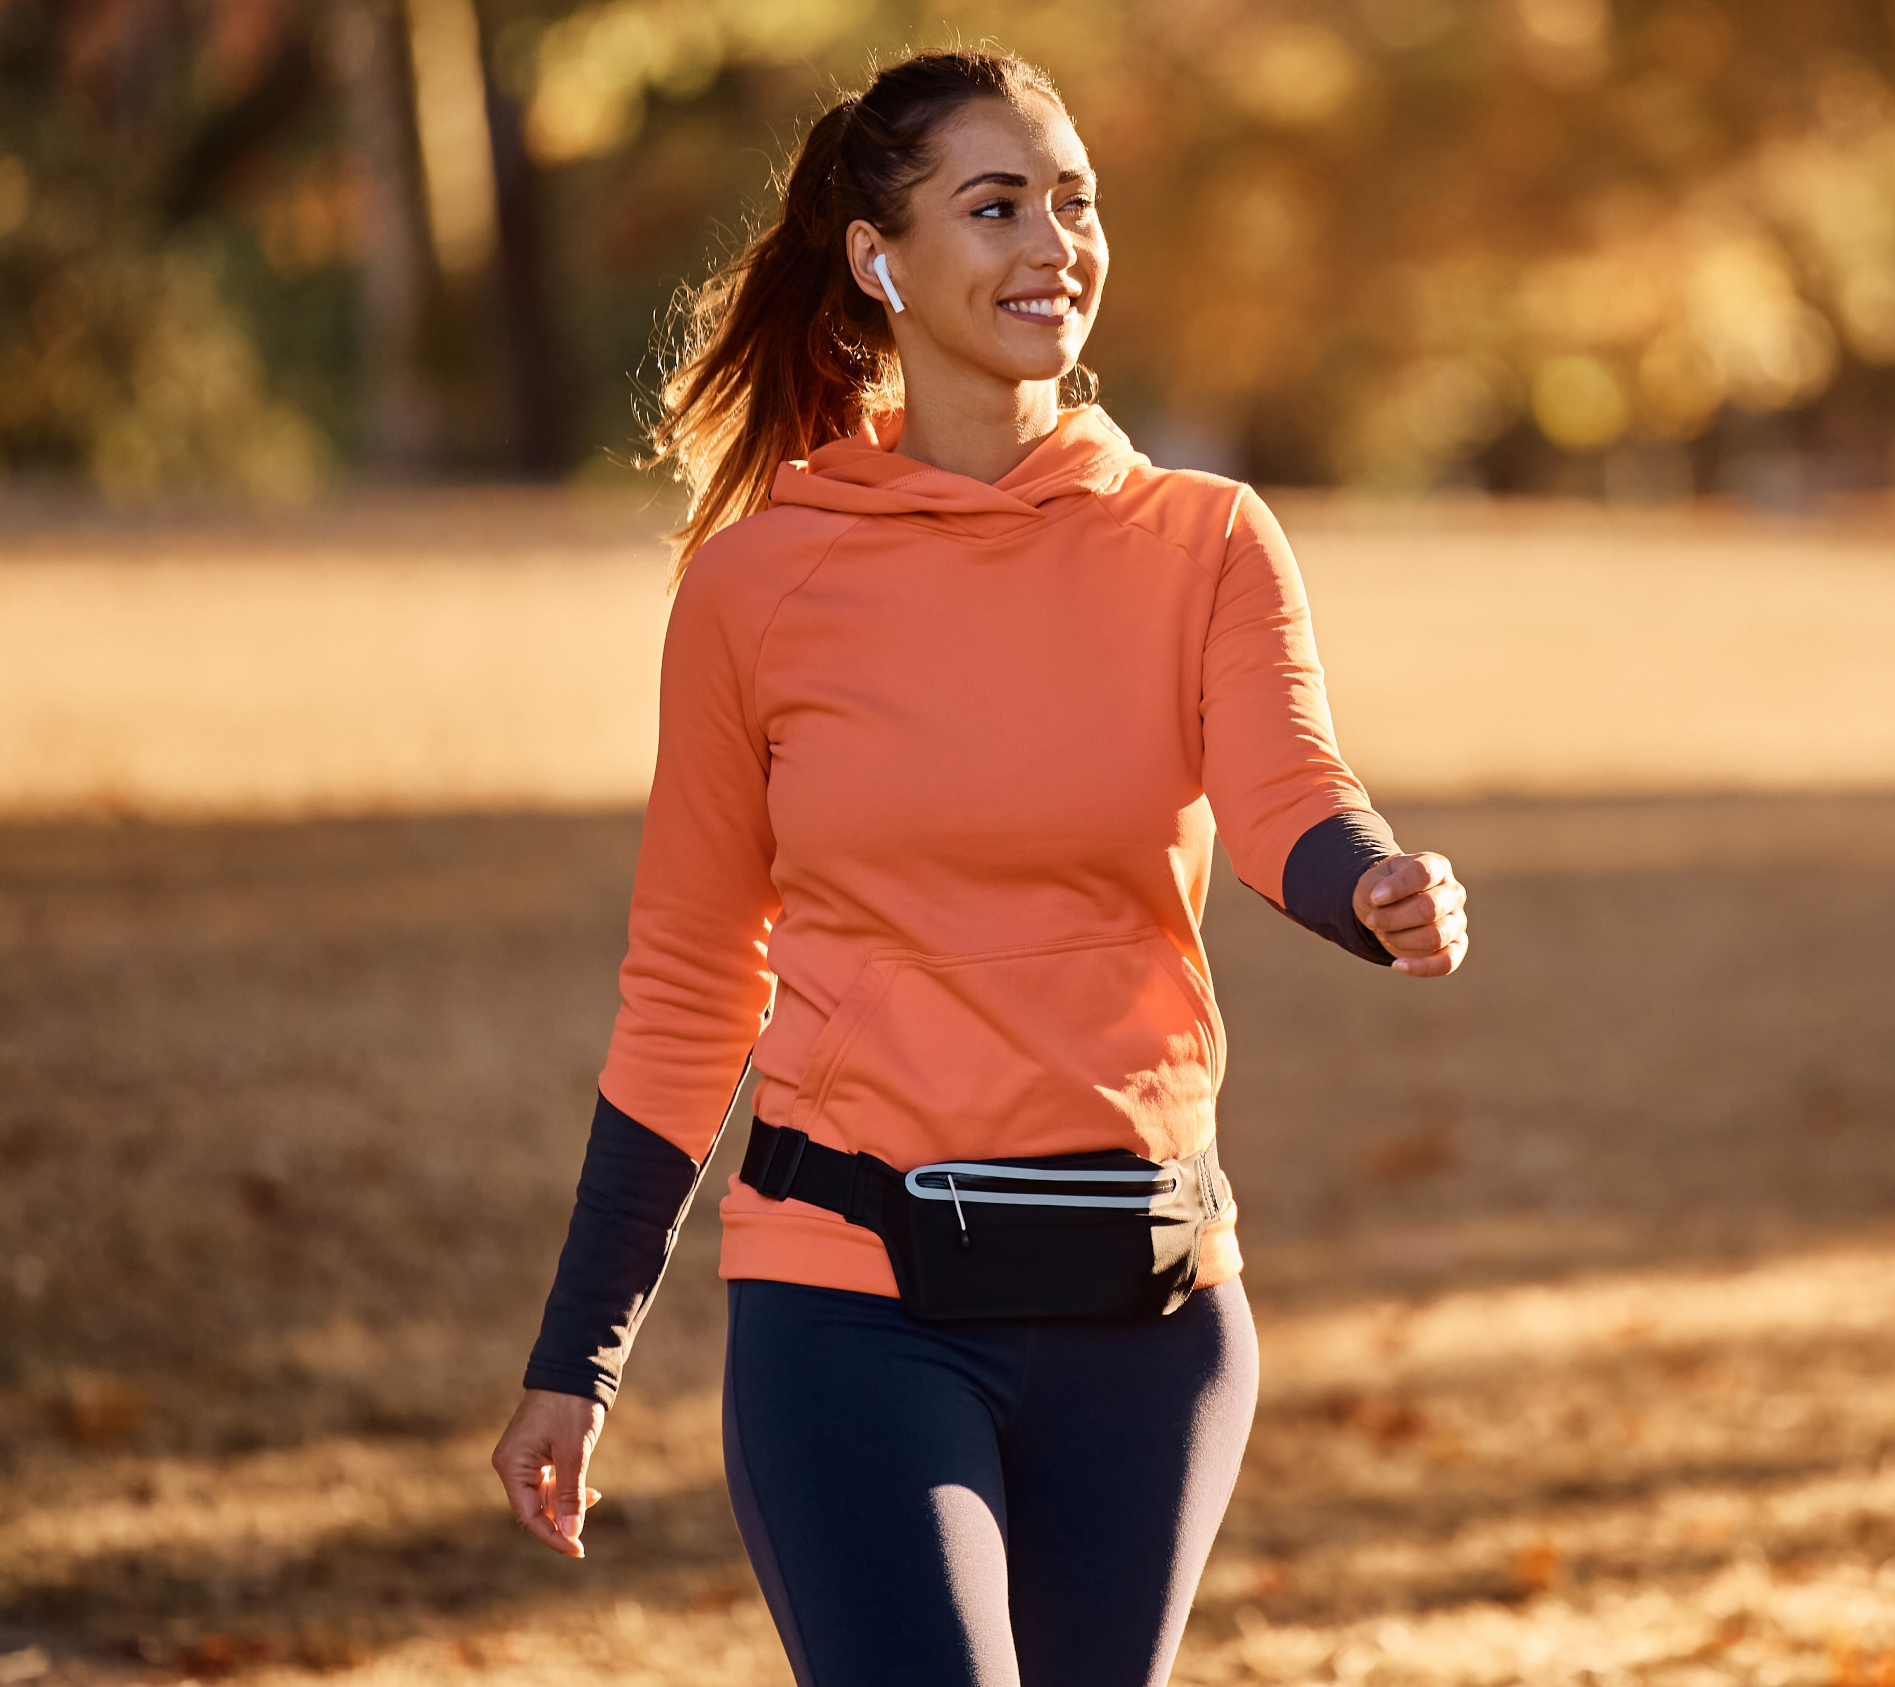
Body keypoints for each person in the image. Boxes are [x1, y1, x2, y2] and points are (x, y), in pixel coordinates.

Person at [488, 47, 1469, 1687]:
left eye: (1074, 204)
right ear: (878, 258)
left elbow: (1288, 788)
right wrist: (577, 1358)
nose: (1054, 245)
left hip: (1149, 1304)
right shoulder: (757, 589)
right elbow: (687, 984)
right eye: (995, 206)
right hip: (854, 1303)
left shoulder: (1205, 539)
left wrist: (1371, 885)